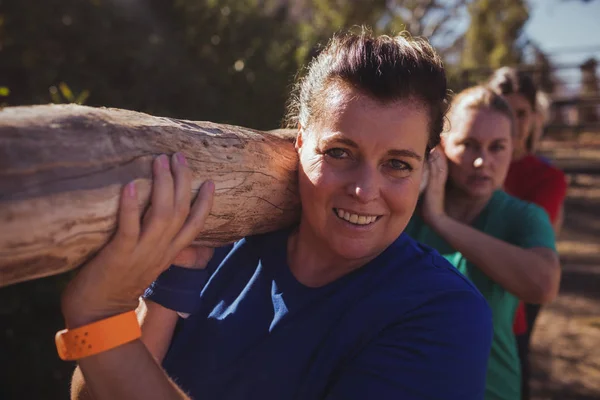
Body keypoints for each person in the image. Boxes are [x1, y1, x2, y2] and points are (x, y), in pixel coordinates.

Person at [59, 30, 493, 400]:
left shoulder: (444, 314)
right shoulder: (217, 242)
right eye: (340, 152)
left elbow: (112, 359)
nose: (364, 191)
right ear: (299, 143)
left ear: (426, 167)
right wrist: (168, 288)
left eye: (398, 164)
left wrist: (100, 316)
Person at [405, 86, 561, 400]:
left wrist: (442, 222)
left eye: (497, 147)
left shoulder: (523, 217)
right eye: (469, 145)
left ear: (514, 148)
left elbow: (543, 285)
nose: (482, 161)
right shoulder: (406, 208)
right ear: (441, 146)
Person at [487, 67, 568, 400]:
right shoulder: (463, 165)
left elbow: (526, 250)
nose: (513, 122)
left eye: (520, 113)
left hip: (517, 301)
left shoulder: (547, 177)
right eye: (503, 110)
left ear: (534, 118)